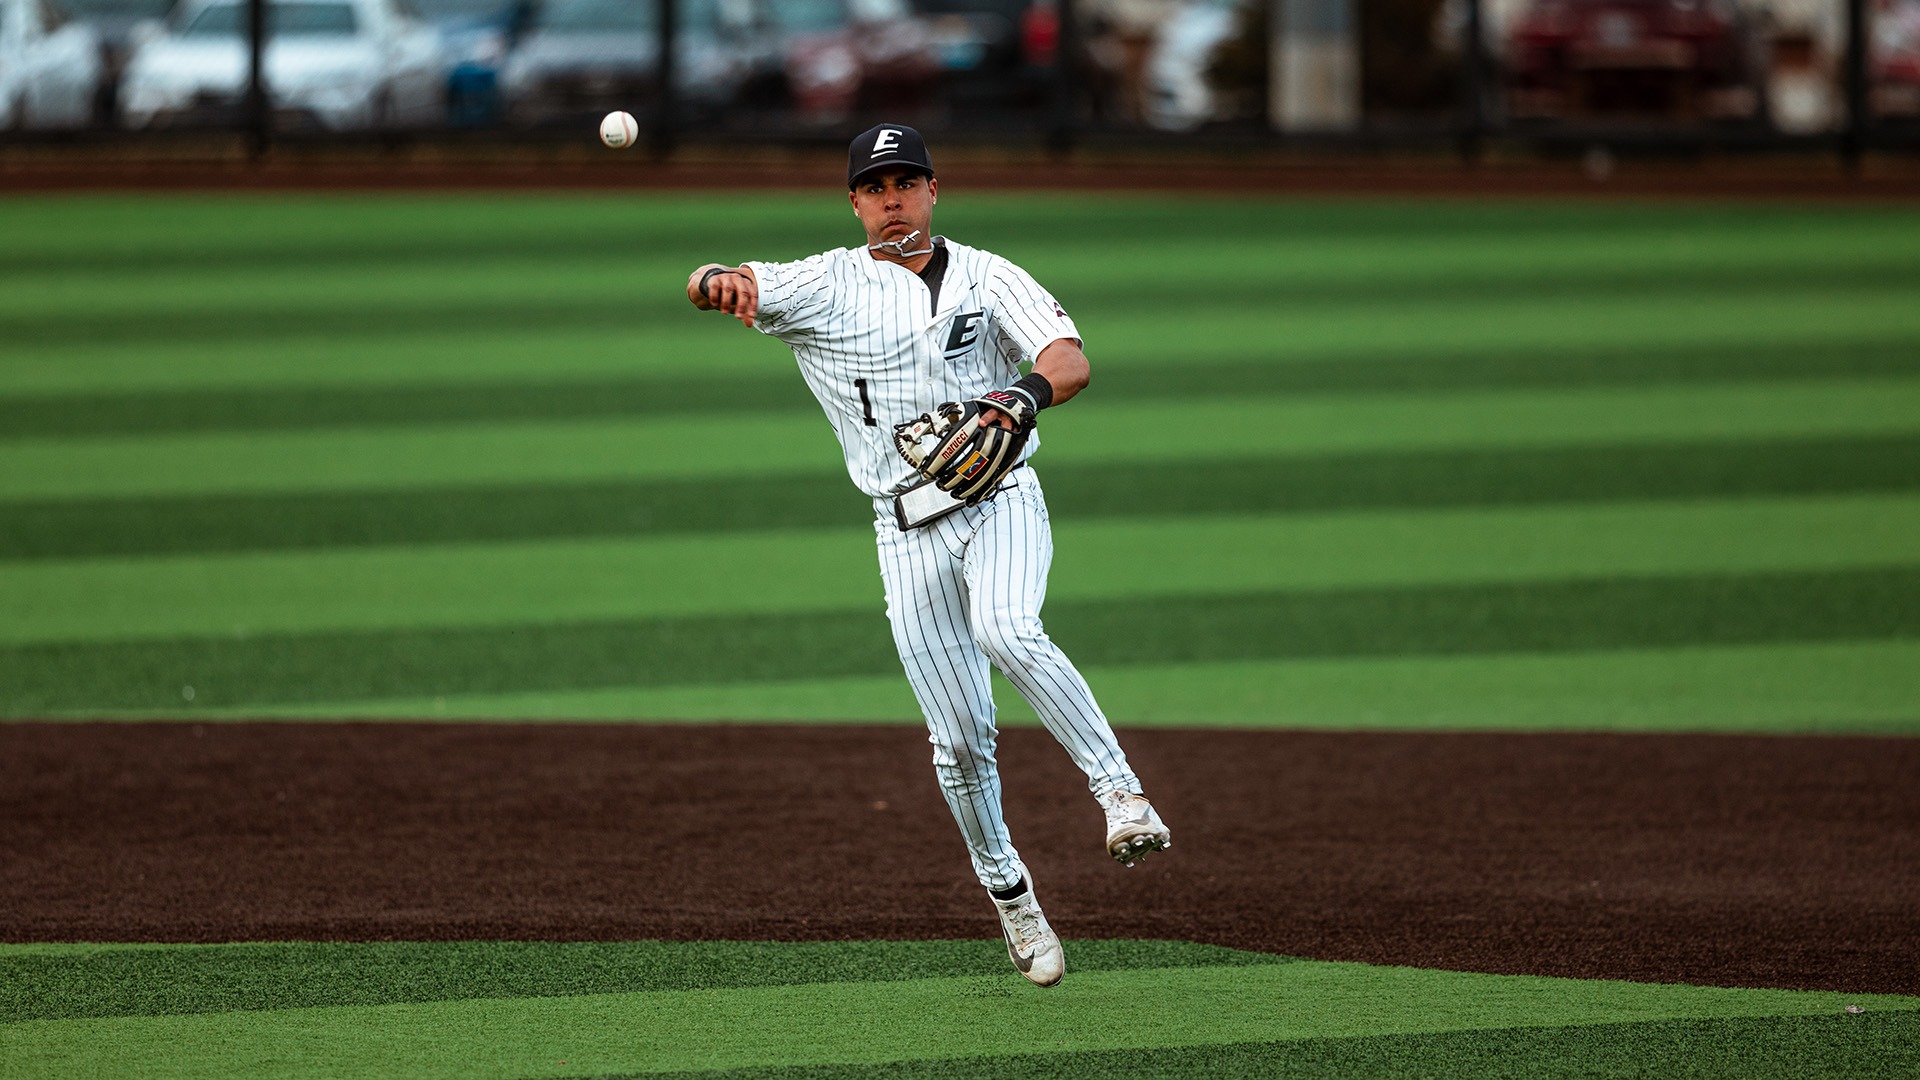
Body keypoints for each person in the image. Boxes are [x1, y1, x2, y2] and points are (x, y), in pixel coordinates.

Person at [684, 124, 1170, 988]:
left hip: (1002, 497)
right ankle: (1011, 896)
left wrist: (1020, 395)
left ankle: (1122, 796)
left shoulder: (989, 275)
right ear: (855, 202)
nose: (894, 200)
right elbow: (726, 279)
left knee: (1009, 628)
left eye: (907, 183)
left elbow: (1068, 360)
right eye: (877, 188)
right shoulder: (825, 283)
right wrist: (715, 281)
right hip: (904, 530)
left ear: (934, 191)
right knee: (959, 742)